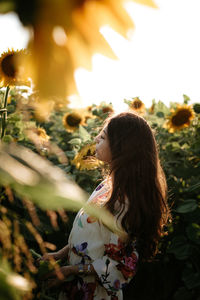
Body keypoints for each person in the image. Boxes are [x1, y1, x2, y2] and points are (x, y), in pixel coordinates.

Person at [41, 112, 170, 300]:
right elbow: (90, 236)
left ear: (122, 147)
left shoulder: (124, 200)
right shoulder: (108, 185)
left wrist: (70, 270)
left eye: (102, 137)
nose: (95, 139)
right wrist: (60, 254)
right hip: (76, 287)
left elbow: (120, 266)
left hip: (95, 293)